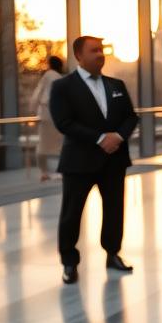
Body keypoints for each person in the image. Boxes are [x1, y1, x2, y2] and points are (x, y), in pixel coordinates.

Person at [49, 36, 139, 284]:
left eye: (101, 50)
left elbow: (131, 117)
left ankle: (112, 254)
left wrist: (118, 137)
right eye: (94, 50)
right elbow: (63, 123)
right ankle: (69, 262)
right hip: (79, 162)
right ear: (79, 55)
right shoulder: (63, 87)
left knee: (114, 210)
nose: (100, 54)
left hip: (114, 160)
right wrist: (100, 138)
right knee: (71, 214)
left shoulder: (116, 84)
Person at [31, 53, 65, 181]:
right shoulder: (58, 77)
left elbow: (37, 94)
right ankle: (58, 171)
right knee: (58, 144)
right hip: (55, 115)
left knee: (43, 145)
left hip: (45, 114)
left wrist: (33, 110)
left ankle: (44, 172)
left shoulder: (47, 76)